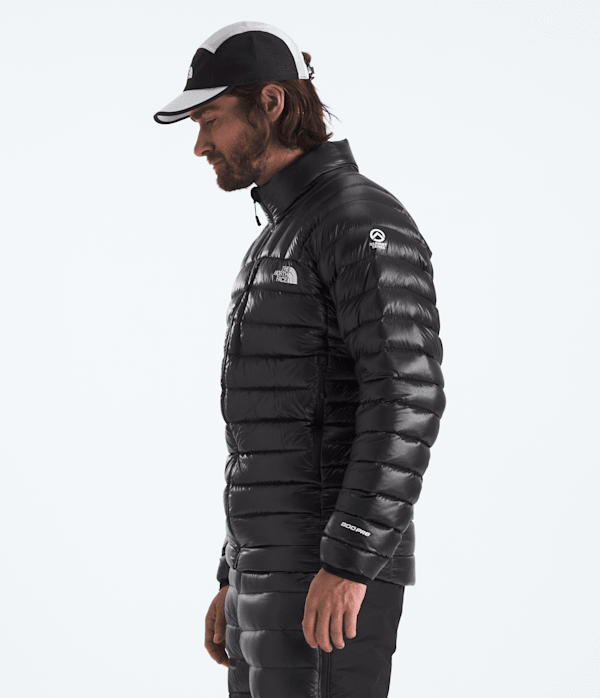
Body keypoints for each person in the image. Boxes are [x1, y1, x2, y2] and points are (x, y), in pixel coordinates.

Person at [154, 20, 446, 698]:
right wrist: (235, 572)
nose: (199, 145)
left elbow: (407, 394)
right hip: (273, 574)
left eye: (211, 120)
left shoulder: (359, 219)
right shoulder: (280, 235)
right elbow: (272, 433)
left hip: (328, 576)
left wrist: (349, 561)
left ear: (272, 102)